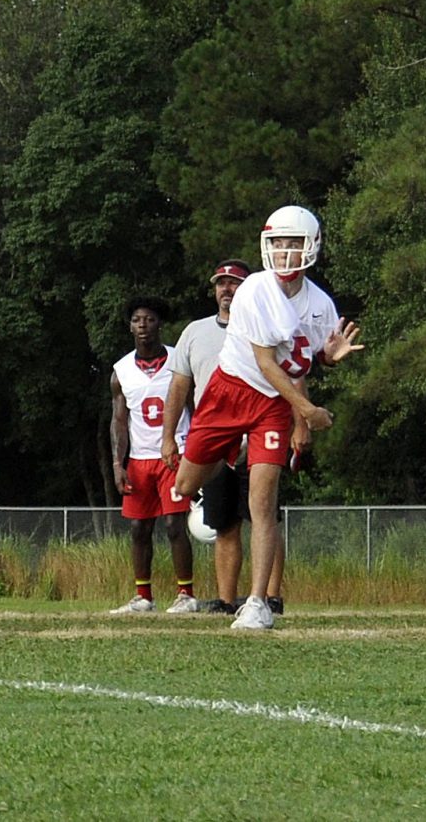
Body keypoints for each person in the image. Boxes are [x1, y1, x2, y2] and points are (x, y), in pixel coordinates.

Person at [173, 205, 362, 631]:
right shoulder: (256, 290)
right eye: (277, 242)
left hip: (272, 407)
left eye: (293, 242)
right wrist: (308, 410)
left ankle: (257, 602)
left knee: (263, 504)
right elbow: (265, 363)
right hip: (230, 390)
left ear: (310, 245)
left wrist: (328, 360)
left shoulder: (321, 305)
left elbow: (303, 361)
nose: (284, 251)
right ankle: (231, 451)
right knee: (184, 485)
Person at [166, 260, 255, 614]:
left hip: (256, 434)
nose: (226, 289)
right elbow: (178, 387)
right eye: (221, 283)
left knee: (263, 518)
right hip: (215, 440)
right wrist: (168, 436)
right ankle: (227, 599)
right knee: (223, 523)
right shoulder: (195, 332)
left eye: (234, 283)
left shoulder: (261, 328)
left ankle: (270, 597)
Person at [108, 295, 196, 614]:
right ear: (130, 327)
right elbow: (119, 421)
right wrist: (119, 463)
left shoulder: (178, 361)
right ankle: (143, 597)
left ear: (160, 324)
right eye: (136, 320)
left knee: (174, 523)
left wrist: (196, 454)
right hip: (140, 458)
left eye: (149, 319)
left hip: (175, 453)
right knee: (139, 528)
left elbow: (194, 409)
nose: (142, 325)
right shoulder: (120, 371)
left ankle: (186, 594)